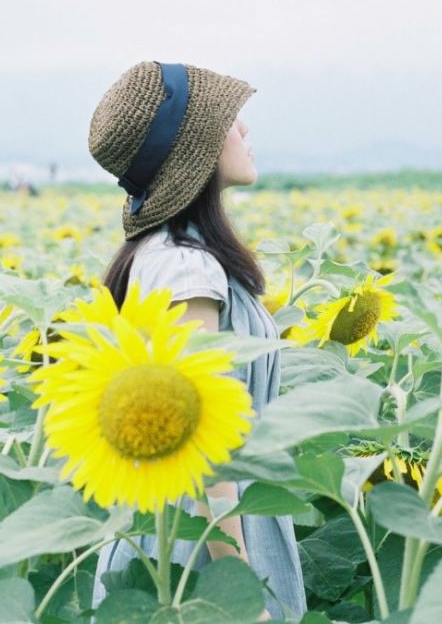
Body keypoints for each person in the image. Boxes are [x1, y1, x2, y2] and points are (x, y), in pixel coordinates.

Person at [87, 61, 307, 621]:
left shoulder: (160, 253)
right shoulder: (189, 272)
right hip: (202, 555)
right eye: (231, 121)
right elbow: (204, 446)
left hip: (171, 526)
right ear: (199, 147)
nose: (246, 131)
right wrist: (240, 591)